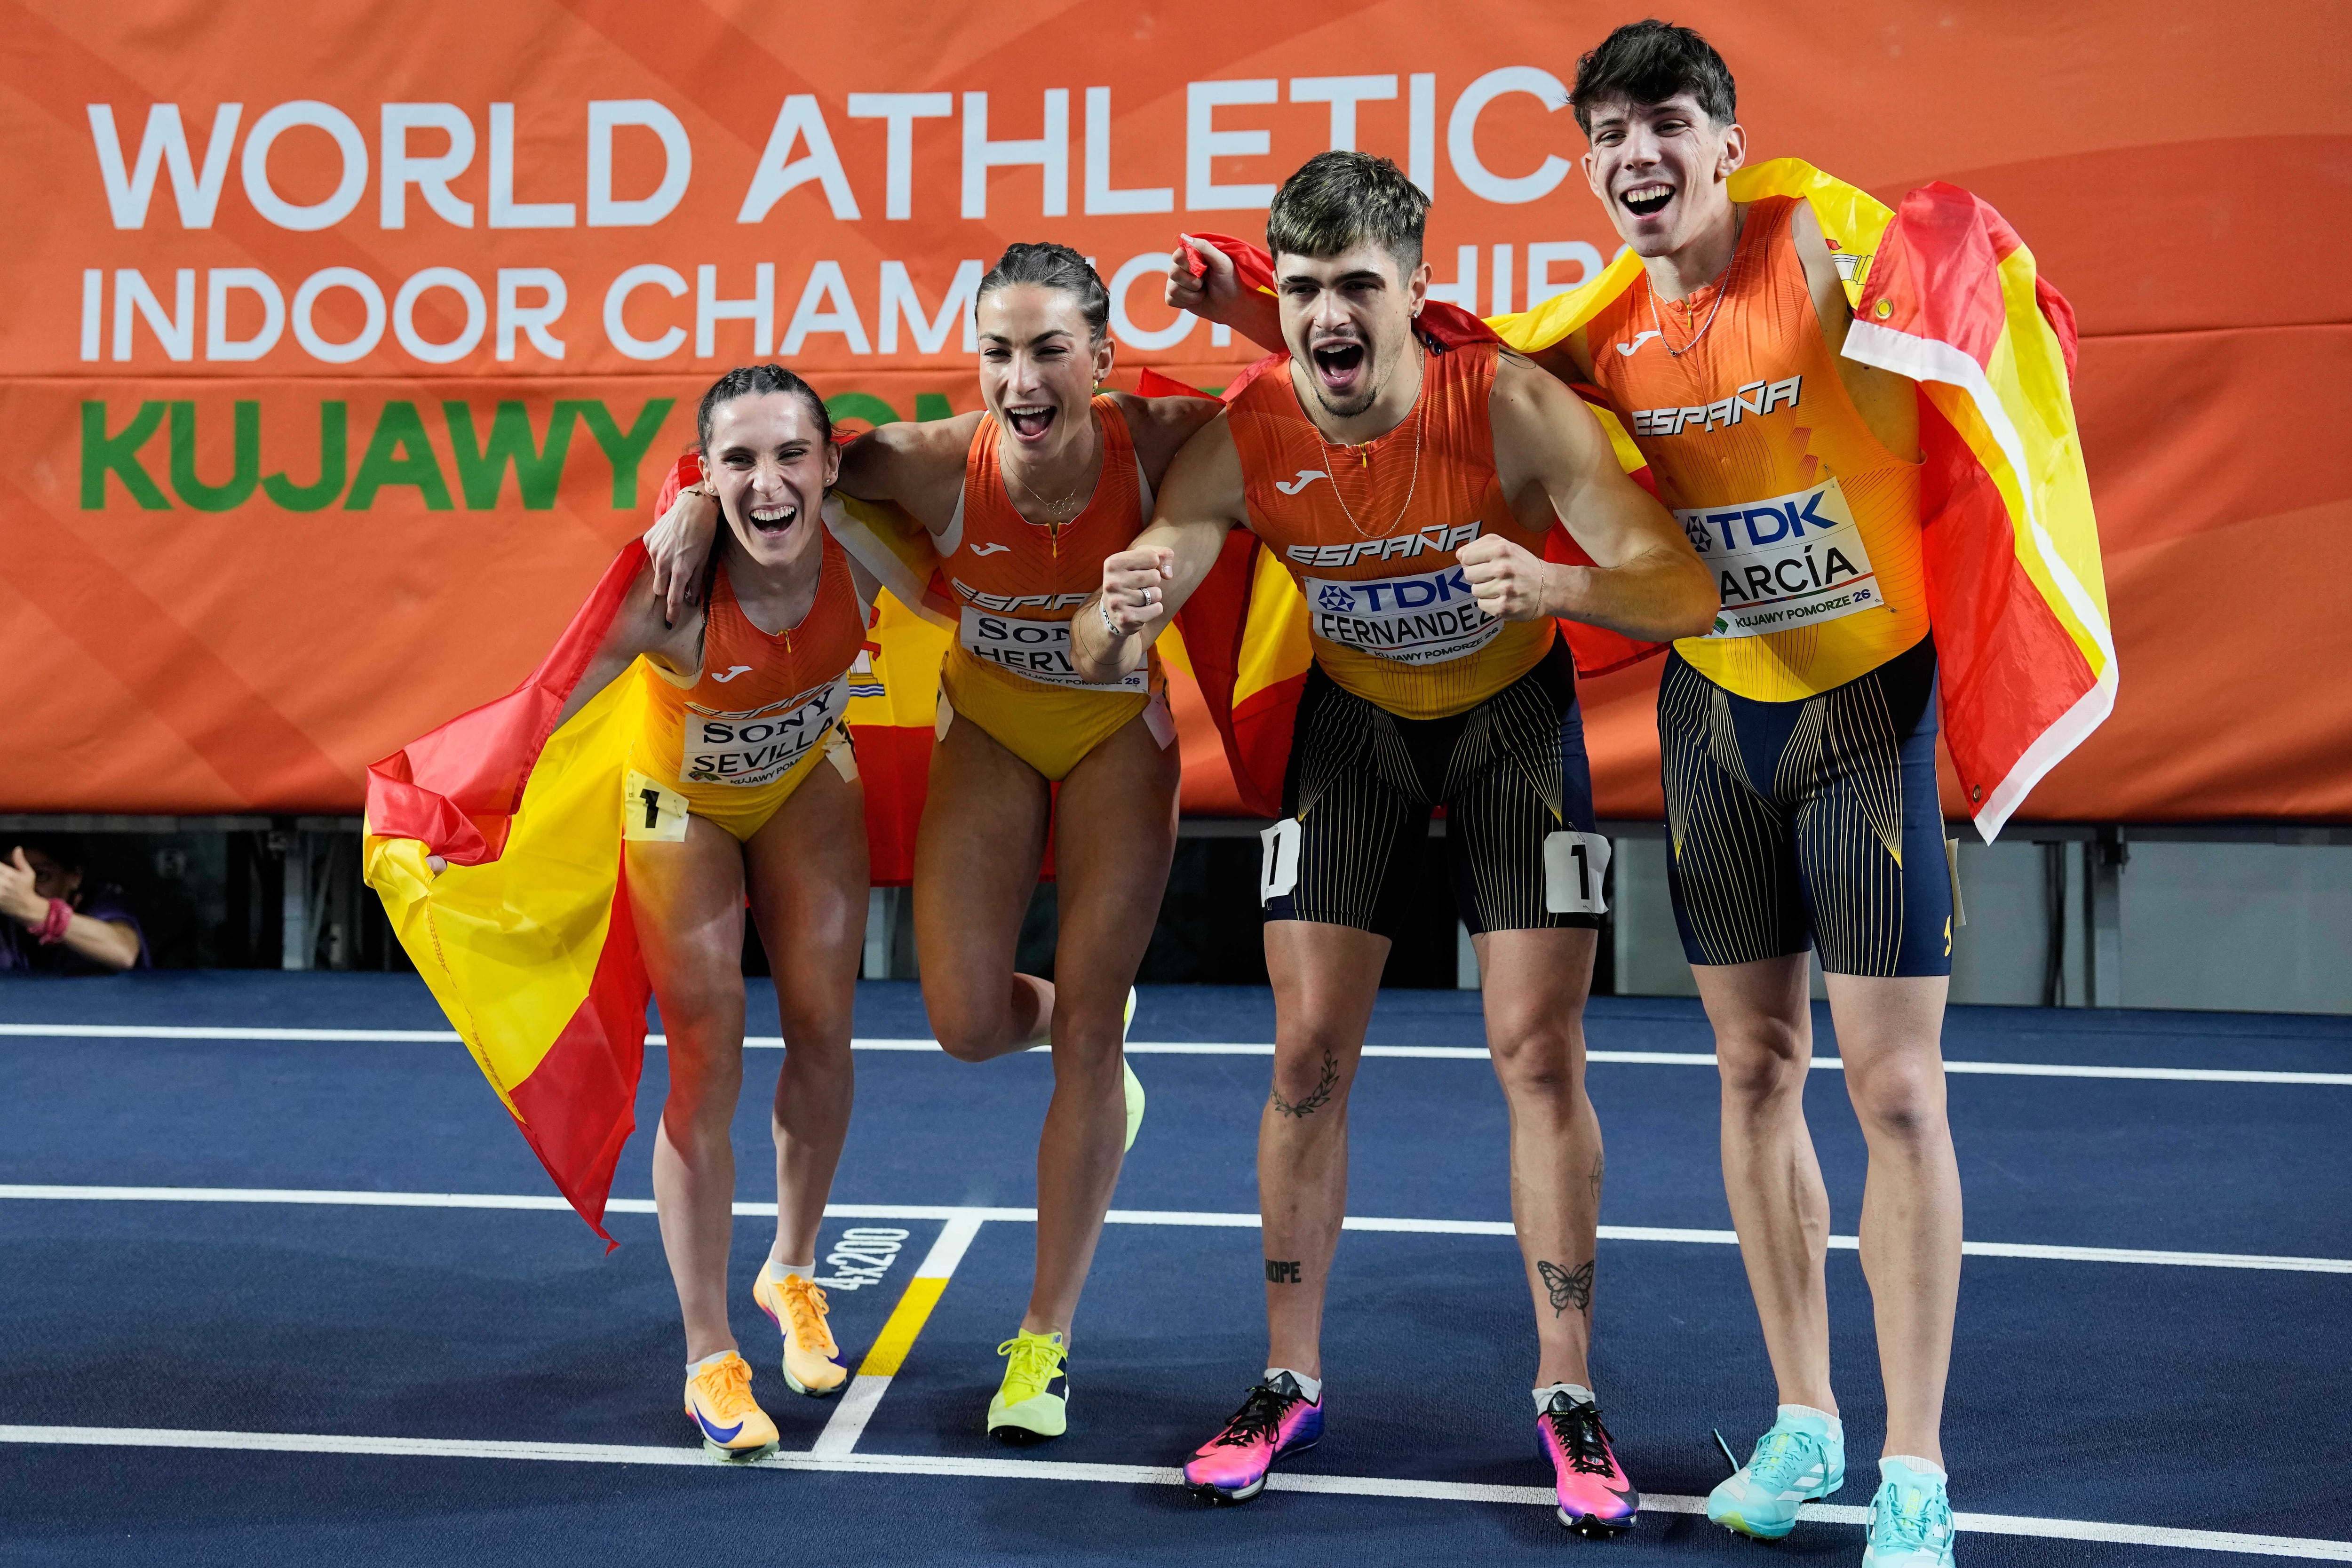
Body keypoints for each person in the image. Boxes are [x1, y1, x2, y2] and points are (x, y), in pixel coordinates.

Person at [1077, 151, 1716, 1531]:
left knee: (1538, 1052)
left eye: (1356, 285)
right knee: (1305, 1053)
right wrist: (1129, 599)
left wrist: (1554, 578)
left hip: (1509, 725)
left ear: (1416, 293)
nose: (1327, 315)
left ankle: (1565, 1395)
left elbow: (1682, 584)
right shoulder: (1245, 432)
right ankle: (1284, 1374)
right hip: (1353, 730)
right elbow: (1147, 577)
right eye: (1301, 287)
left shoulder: (1513, 407)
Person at [645, 244, 1224, 1444]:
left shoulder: (1162, 438)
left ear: (1101, 359)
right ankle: (1083, 1040)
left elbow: (1297, 420)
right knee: (961, 1021)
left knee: (1090, 1022)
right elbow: (775, 461)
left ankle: (1043, 1342)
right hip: (990, 733)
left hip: (1123, 734)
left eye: (1050, 350)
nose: (1022, 378)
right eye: (999, 353)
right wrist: (687, 495)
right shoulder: (923, 461)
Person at [536, 364, 878, 1459]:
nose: (767, 484)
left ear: (832, 465)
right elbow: (544, 714)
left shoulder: (871, 543)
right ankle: (706, 1354)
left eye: (791, 457)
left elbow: (986, 473)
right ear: (706, 473)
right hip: (672, 800)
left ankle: (791, 1271)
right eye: (735, 462)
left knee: (825, 1029)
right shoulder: (666, 592)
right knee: (708, 1053)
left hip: (805, 776)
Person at [0, 837, 146, 973]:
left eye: (41, 875)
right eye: (12, 874)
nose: (23, 886)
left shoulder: (101, 901)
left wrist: (36, 910)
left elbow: (123, 953)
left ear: (75, 877)